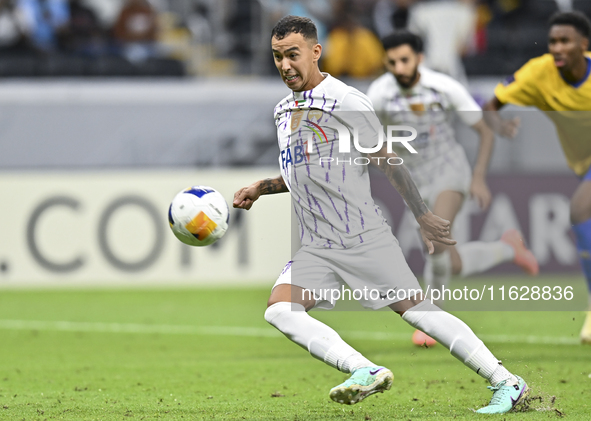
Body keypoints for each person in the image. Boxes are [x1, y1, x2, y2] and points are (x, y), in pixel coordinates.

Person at [233, 15, 529, 414]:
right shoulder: (284, 110)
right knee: (280, 311)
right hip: (317, 245)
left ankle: (506, 380)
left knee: (418, 313)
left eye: (293, 55)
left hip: (361, 236)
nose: (285, 65)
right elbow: (303, 170)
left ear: (315, 52)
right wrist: (260, 188)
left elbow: (388, 160)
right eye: (277, 57)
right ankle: (363, 369)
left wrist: (422, 215)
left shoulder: (347, 101)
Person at [367, 30, 539, 347]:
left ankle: (431, 319)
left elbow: (484, 131)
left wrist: (477, 177)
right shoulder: (379, 93)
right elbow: (370, 141)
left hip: (450, 171)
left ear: (419, 58)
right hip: (414, 182)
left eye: (405, 60)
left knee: (434, 237)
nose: (399, 68)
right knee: (451, 262)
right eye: (392, 62)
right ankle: (508, 248)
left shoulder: (443, 87)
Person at [483, 11, 591, 345]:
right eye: (553, 41)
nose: (557, 48)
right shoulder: (538, 73)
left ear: (584, 45)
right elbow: (489, 106)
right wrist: (500, 126)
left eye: (565, 41)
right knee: (582, 219)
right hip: (583, 164)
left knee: (579, 211)